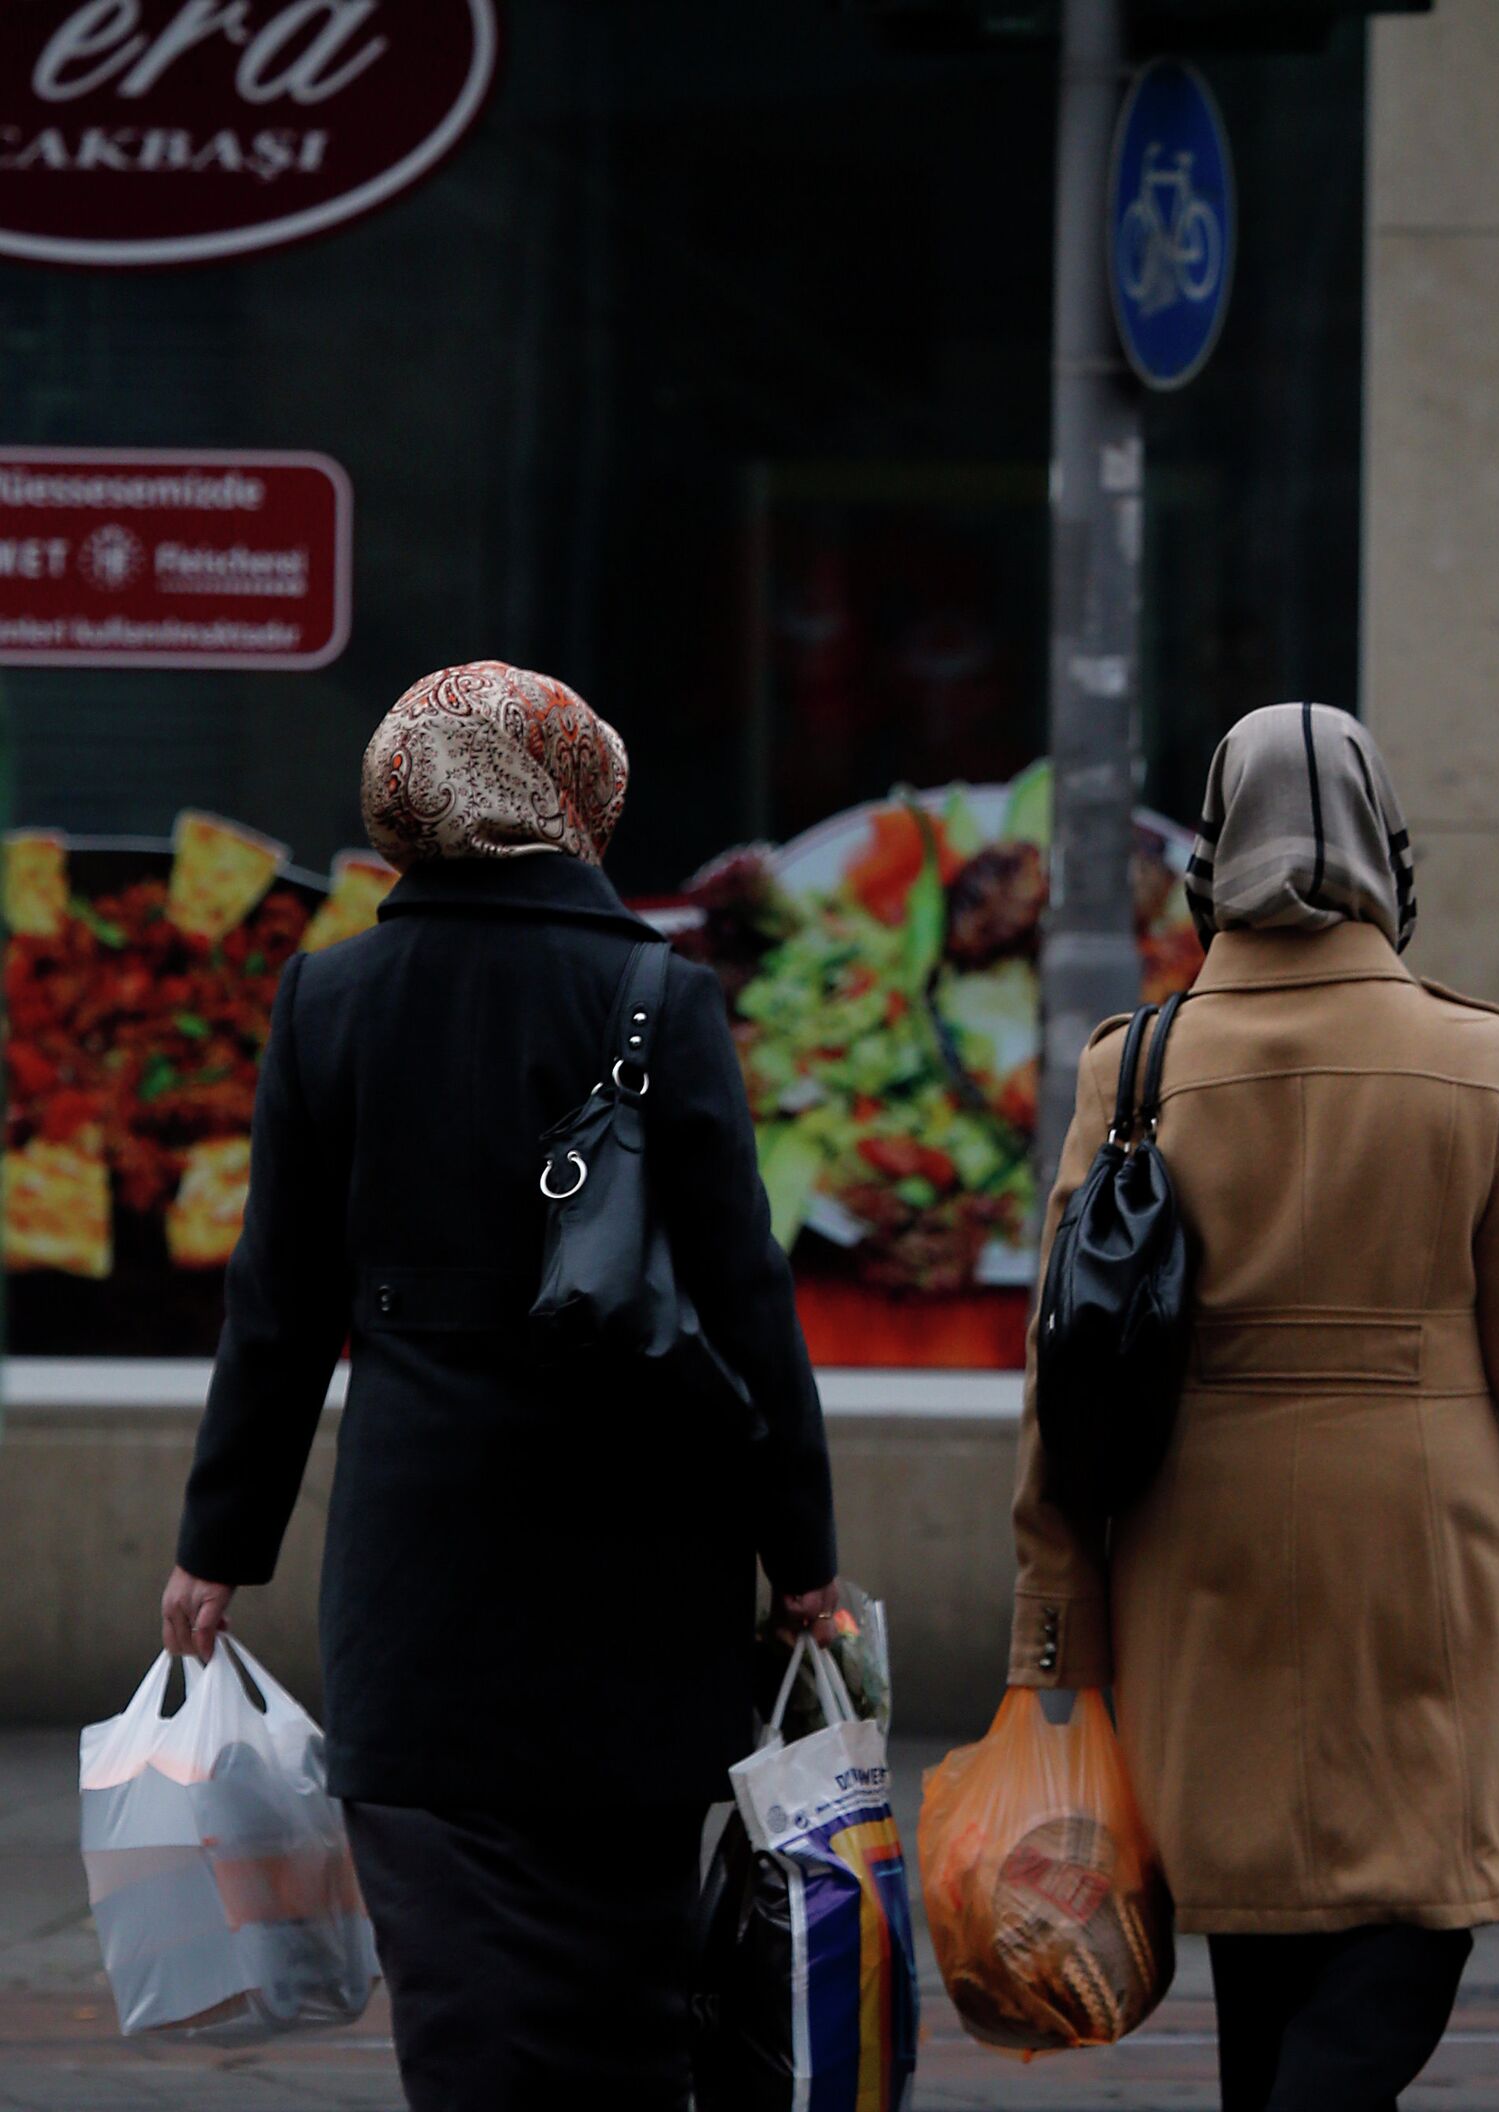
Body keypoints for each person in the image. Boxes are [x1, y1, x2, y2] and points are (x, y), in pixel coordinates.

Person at [161, 661, 838, 2111]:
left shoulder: (329, 998)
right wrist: (804, 1559)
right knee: (630, 2002)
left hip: (423, 1583)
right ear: (576, 792)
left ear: (401, 802)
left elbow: (278, 1306)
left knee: (463, 2000)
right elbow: (747, 1301)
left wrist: (219, 1546)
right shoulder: (661, 995)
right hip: (644, 1579)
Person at [1009, 703, 1499, 2112]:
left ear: (1212, 854)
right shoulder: (1480, 1060)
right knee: (1413, 1924)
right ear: (1386, 849)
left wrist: (1057, 1618)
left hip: (1202, 1558)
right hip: (1429, 1556)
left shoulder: (1134, 1066)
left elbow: (1067, 1368)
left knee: (1261, 1958)